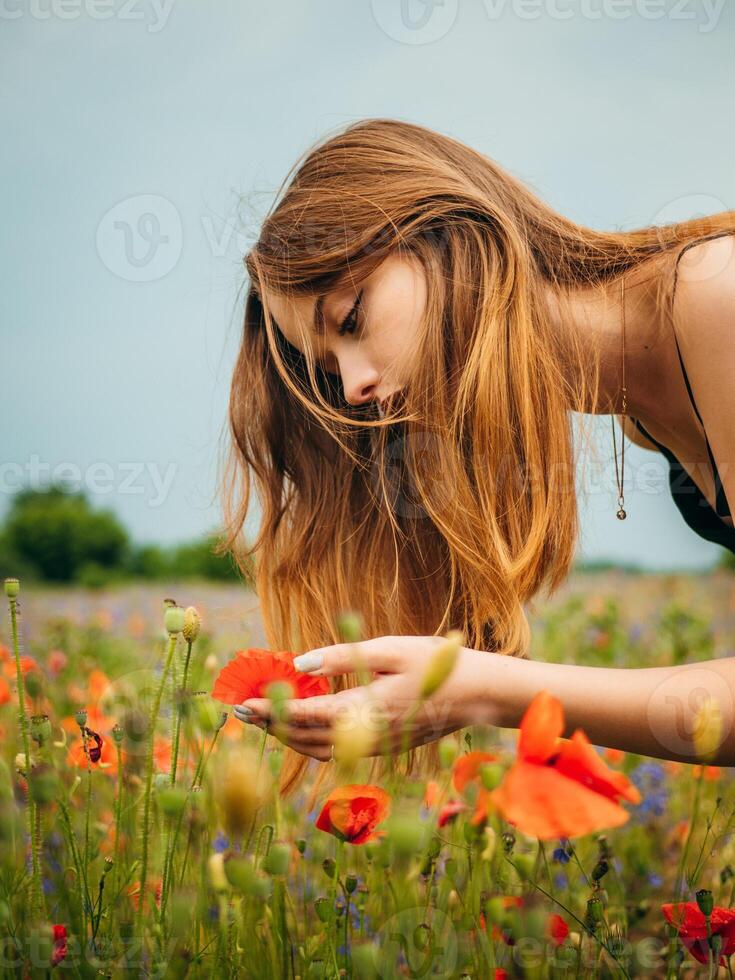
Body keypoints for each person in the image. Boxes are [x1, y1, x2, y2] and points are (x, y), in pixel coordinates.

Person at [223, 118, 735, 797]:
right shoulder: (641, 418)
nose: (353, 388)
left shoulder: (716, 294)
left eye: (350, 319)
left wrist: (482, 691)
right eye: (328, 368)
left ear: (451, 232)